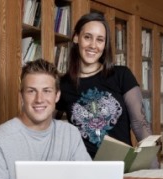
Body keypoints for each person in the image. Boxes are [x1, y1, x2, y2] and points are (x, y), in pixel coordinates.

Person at [0, 58, 91, 179]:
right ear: (21, 96)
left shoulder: (70, 134)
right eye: (31, 91)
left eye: (46, 91)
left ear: (57, 96)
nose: (39, 99)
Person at [56, 12, 157, 164]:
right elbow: (47, 126)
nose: (93, 45)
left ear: (105, 44)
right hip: (86, 172)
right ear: (76, 38)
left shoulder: (121, 75)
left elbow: (140, 124)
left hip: (123, 170)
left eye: (100, 40)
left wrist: (156, 175)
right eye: (87, 37)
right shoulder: (63, 84)